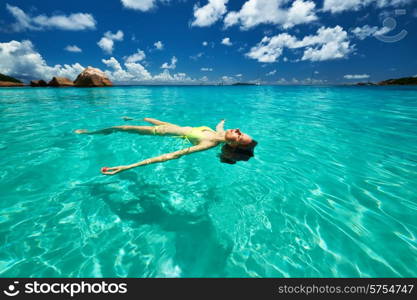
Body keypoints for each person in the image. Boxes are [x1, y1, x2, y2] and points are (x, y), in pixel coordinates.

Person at [75, 117, 257, 175]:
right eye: (241, 131)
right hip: (170, 125)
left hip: (161, 131)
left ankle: (89, 132)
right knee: (145, 118)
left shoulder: (209, 143)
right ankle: (123, 122)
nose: (239, 130)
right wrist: (222, 123)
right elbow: (220, 129)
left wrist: (128, 167)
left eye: (239, 135)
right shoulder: (218, 134)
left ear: (232, 143)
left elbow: (173, 155)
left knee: (120, 128)